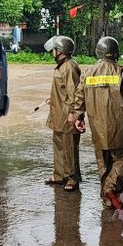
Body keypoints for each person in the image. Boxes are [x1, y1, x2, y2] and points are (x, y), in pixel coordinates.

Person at [72, 36, 123, 210]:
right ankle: (111, 189)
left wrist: (78, 117)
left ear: (98, 52)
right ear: (116, 53)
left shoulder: (88, 72)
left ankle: (107, 200)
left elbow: (79, 98)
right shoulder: (122, 72)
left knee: (104, 164)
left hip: (97, 126)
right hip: (119, 126)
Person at [43, 35, 82, 191]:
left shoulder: (70, 67)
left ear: (60, 51)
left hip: (67, 115)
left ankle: (72, 178)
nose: (52, 52)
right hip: (58, 114)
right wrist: (52, 97)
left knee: (69, 148)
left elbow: (75, 93)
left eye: (54, 49)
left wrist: (74, 113)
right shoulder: (61, 66)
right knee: (59, 145)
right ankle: (59, 175)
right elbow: (62, 90)